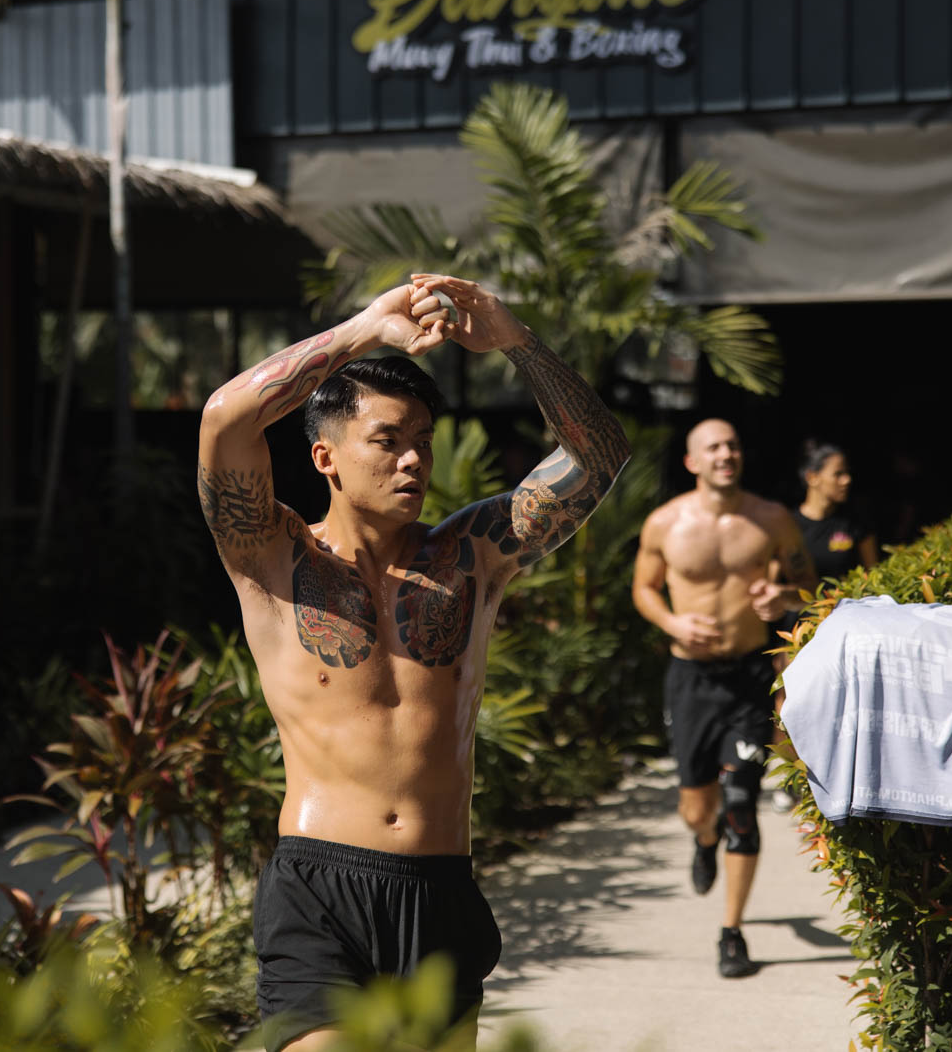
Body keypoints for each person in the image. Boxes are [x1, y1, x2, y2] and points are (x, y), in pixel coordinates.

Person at [197, 274, 631, 1050]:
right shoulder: (271, 556)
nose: (413, 461)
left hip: (439, 889)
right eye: (388, 439)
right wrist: (364, 329)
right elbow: (225, 416)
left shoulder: (472, 554)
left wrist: (517, 341)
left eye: (423, 441)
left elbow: (599, 455)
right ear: (326, 456)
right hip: (319, 890)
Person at [630, 418, 814, 978]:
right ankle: (704, 839)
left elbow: (809, 588)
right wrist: (673, 623)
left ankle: (731, 933)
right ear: (693, 461)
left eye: (732, 445)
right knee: (698, 809)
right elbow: (644, 588)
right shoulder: (666, 522)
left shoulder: (771, 519)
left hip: (750, 678)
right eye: (713, 447)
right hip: (692, 680)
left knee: (741, 803)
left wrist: (782, 597)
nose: (726, 454)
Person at [794, 439, 878, 582]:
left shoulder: (856, 521)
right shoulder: (789, 525)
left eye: (847, 473)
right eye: (838, 474)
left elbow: (873, 576)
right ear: (812, 477)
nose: (847, 480)